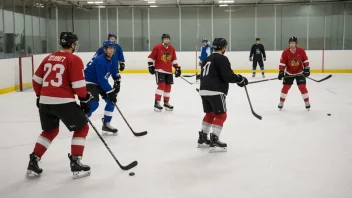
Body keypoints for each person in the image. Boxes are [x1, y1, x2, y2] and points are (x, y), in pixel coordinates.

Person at [28, 32, 92, 179]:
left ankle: (33, 161)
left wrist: (40, 95)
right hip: (63, 102)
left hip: (45, 102)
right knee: (82, 128)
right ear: (72, 45)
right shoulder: (73, 59)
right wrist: (85, 98)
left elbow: (36, 80)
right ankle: (76, 161)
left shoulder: (48, 58)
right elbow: (78, 86)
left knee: (50, 131)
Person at [198, 38, 248, 153]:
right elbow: (228, 76)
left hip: (203, 90)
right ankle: (214, 140)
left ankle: (203, 138)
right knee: (221, 115)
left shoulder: (207, 59)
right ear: (223, 48)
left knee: (210, 114)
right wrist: (240, 79)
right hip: (216, 91)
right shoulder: (222, 58)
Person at [85, 40, 120, 134]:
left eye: (112, 48)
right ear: (105, 50)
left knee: (112, 101)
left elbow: (114, 72)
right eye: (109, 48)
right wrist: (110, 91)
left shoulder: (114, 58)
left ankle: (106, 124)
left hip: (99, 82)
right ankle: (81, 119)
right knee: (94, 104)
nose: (111, 51)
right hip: (89, 82)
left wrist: (117, 81)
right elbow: (101, 79)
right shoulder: (100, 60)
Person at [148, 33, 181, 112]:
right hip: (160, 70)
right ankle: (157, 103)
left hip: (169, 71)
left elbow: (173, 60)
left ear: (169, 40)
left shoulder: (172, 48)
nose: (166, 40)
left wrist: (177, 68)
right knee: (161, 85)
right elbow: (150, 57)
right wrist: (150, 66)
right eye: (165, 39)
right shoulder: (157, 47)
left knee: (168, 87)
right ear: (162, 40)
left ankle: (166, 103)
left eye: (168, 39)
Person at [278, 36, 310, 110]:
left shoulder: (301, 51)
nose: (292, 44)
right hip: (289, 73)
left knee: (302, 87)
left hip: (300, 72)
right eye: (290, 43)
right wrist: (281, 71)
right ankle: (281, 102)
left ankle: (307, 102)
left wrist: (306, 69)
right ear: (289, 44)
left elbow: (305, 60)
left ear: (296, 43)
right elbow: (282, 62)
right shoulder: (285, 52)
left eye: (293, 43)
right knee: (285, 88)